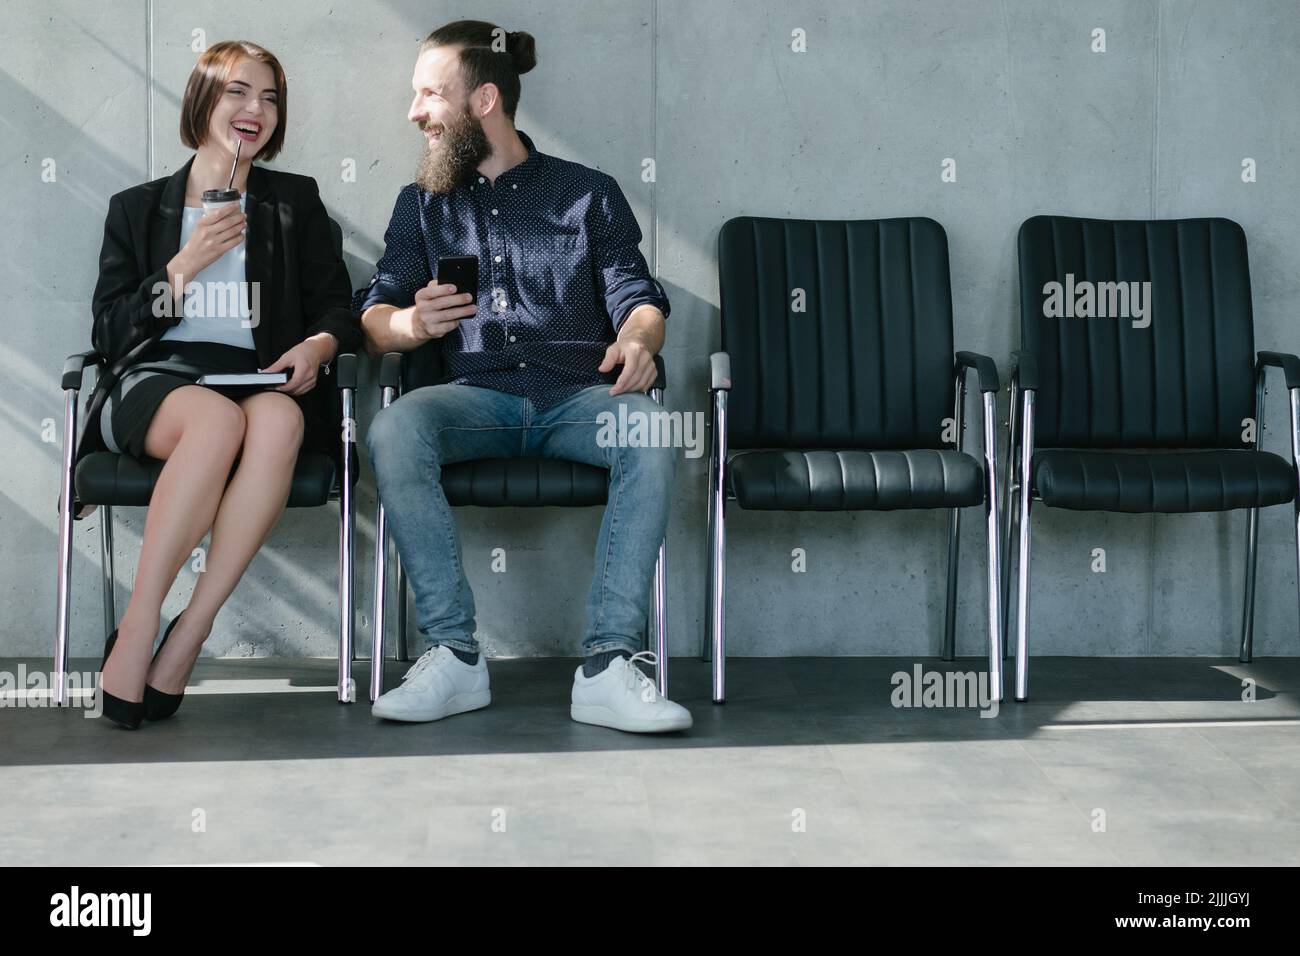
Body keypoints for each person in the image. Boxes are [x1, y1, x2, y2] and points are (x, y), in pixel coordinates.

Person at [361, 20, 690, 733]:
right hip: (475, 397)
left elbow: (639, 298)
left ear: (483, 100)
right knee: (393, 429)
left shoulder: (588, 193)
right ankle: (453, 656)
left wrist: (638, 341)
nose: (414, 112)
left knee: (655, 433)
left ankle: (608, 667)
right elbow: (375, 313)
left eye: (428, 95)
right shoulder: (420, 204)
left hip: (580, 397)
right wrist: (412, 326)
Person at [90, 40, 361, 729]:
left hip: (258, 377)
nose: (256, 110)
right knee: (215, 421)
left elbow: (338, 306)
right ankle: (140, 620)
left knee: (280, 423)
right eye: (239, 91)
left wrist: (318, 344)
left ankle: (191, 630)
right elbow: (112, 333)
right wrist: (185, 264)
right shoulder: (138, 208)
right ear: (203, 100)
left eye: (270, 98)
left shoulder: (294, 201)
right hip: (159, 379)